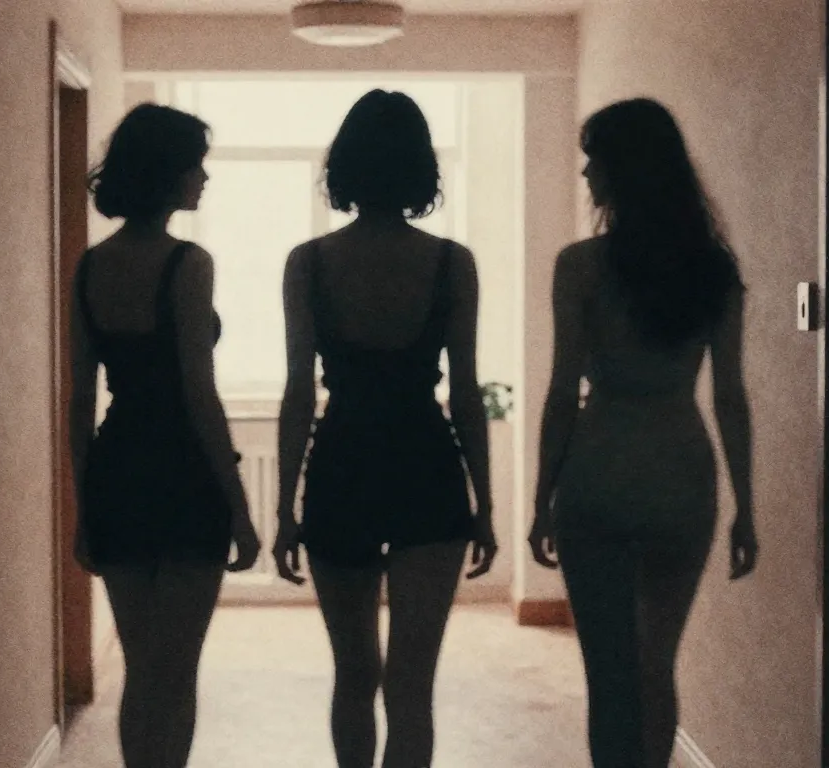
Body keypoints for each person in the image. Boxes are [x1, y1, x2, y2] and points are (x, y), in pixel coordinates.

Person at [528, 98, 758, 768]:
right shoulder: (712, 269)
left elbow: (562, 392)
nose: (585, 175)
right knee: (656, 664)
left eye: (593, 160)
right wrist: (746, 505)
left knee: (610, 674)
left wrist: (542, 496)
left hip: (599, 469)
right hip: (680, 471)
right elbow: (730, 395)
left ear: (624, 169)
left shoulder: (580, 266)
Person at [271, 89, 498, 768]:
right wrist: (485, 503)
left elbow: (298, 394)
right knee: (411, 685)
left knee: (354, 676)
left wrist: (284, 508)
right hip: (426, 465)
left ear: (344, 166)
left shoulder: (309, 263)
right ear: (420, 168)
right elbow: (464, 394)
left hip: (342, 465)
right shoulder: (451, 263)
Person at [69, 103, 260, 768]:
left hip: (118, 470)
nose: (203, 177)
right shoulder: (187, 263)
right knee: (175, 672)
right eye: (196, 165)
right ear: (169, 172)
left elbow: (80, 400)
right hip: (182, 471)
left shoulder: (90, 267)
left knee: (142, 667)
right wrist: (239, 507)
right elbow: (198, 393)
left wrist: (84, 507)